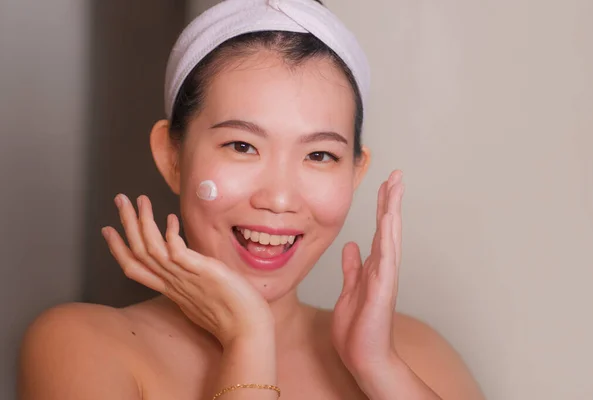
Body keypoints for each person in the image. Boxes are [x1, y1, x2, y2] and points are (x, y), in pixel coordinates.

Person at [18, 0, 484, 399]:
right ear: (172, 156)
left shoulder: (418, 355)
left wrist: (381, 371)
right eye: (242, 146)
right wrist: (248, 340)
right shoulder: (79, 346)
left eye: (320, 154)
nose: (279, 199)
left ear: (356, 171)